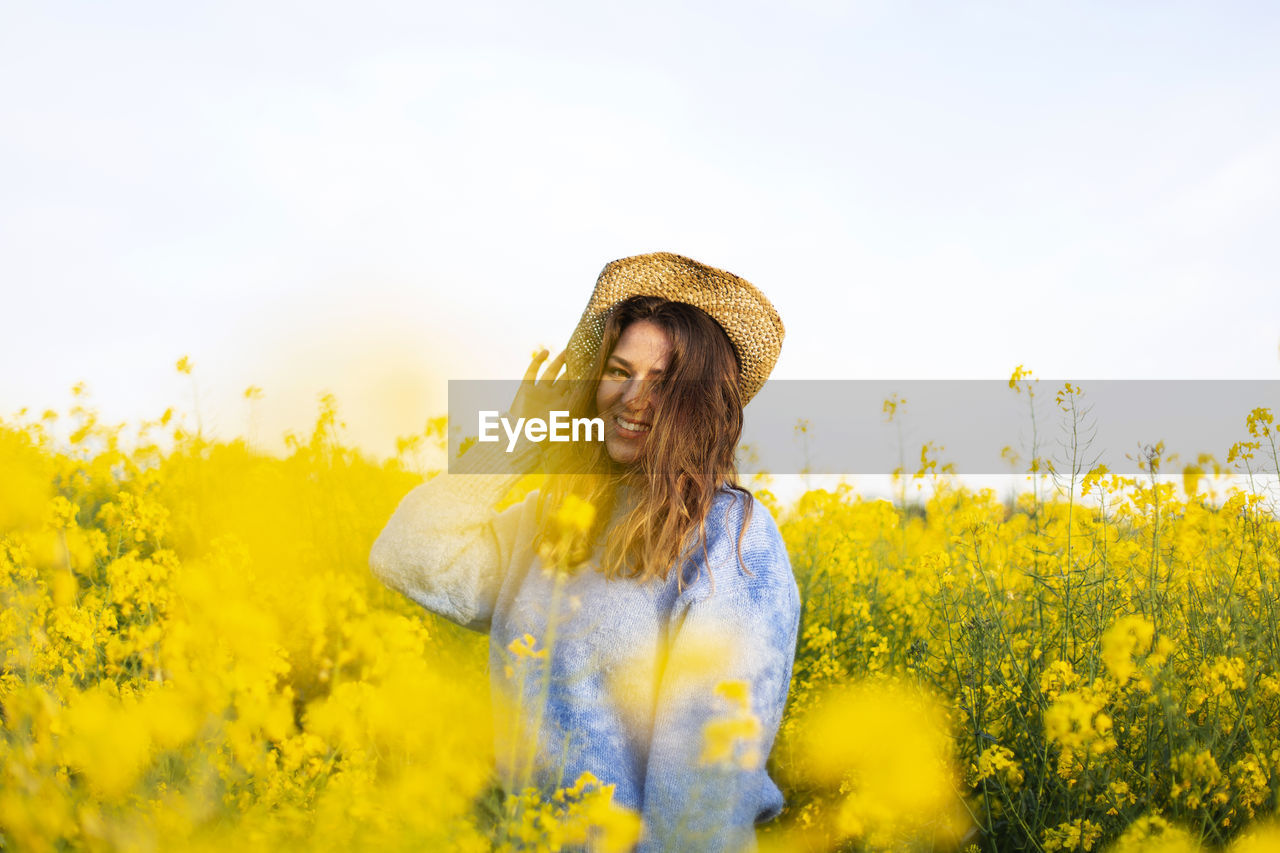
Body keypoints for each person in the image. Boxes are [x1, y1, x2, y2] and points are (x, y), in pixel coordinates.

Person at [369, 252, 799, 852]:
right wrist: (521, 436)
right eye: (618, 370)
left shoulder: (729, 539)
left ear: (702, 402)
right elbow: (408, 554)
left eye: (664, 382)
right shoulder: (556, 519)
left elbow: (705, 786)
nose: (632, 398)